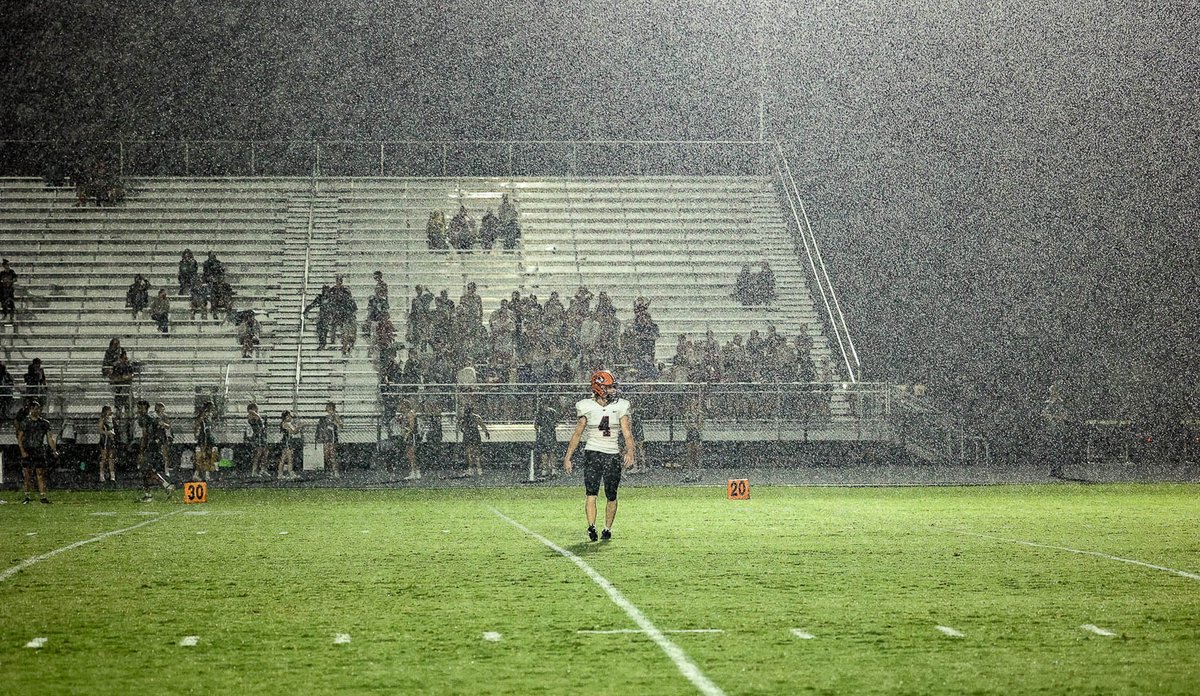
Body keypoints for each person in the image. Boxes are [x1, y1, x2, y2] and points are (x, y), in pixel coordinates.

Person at [562, 370, 634, 542]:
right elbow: (577, 433)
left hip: (611, 453)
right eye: (609, 387)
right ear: (599, 388)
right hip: (593, 452)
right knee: (591, 493)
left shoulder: (620, 405)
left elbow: (627, 432)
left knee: (611, 494)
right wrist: (568, 457)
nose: (613, 390)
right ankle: (592, 526)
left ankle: (607, 528)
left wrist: (630, 451)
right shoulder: (587, 405)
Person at [16, 400, 56, 504]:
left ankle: (43, 497)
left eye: (38, 408)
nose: (36, 410)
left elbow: (49, 438)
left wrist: (54, 450)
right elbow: (20, 438)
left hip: (39, 449)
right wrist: (22, 451)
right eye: (34, 408)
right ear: (30, 409)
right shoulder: (25, 422)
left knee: (40, 473)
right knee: (27, 474)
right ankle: (27, 496)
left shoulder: (44, 423)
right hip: (28, 449)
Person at [458, 404, 489, 476]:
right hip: (475, 435)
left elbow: (461, 427)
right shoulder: (476, 417)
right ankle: (479, 470)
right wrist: (486, 432)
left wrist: (463, 429)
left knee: (469, 453)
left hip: (468, 435)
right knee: (476, 453)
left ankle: (471, 469)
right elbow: (482, 425)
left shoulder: (464, 418)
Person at [316, 402, 344, 478]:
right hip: (326, 438)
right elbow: (322, 428)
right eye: (328, 409)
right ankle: (331, 471)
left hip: (332, 438)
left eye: (330, 409)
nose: (329, 410)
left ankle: (336, 472)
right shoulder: (325, 417)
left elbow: (341, 425)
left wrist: (335, 422)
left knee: (332, 455)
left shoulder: (336, 416)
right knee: (326, 455)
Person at [193, 401, 218, 482]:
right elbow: (196, 424)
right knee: (203, 456)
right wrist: (202, 417)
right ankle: (198, 474)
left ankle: (205, 474)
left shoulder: (210, 415)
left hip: (208, 437)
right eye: (212, 407)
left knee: (208, 455)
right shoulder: (203, 415)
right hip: (204, 438)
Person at [534, 400, 559, 478]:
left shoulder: (541, 413)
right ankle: (550, 470)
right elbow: (556, 423)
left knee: (547, 452)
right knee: (549, 452)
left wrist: (539, 431)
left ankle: (547, 469)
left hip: (546, 434)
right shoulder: (543, 413)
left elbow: (536, 425)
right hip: (548, 434)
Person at [304, 284, 333, 349]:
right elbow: (313, 304)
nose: (325, 292)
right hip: (322, 315)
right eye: (324, 291)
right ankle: (322, 342)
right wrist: (307, 310)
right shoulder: (320, 297)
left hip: (329, 315)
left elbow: (336, 306)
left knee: (324, 327)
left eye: (326, 291)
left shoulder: (331, 298)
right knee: (319, 328)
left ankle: (323, 343)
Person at [397, 400, 420, 480]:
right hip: (410, 436)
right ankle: (415, 471)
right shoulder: (407, 414)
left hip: (411, 436)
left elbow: (411, 427)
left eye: (402, 406)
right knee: (409, 454)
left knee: (411, 454)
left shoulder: (410, 414)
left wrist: (406, 434)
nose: (401, 407)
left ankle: (415, 472)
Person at [246, 403, 270, 477]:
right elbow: (257, 418)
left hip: (262, 436)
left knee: (265, 453)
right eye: (255, 408)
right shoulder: (251, 416)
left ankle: (263, 470)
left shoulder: (256, 415)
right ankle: (254, 471)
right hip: (258, 436)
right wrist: (253, 411)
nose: (257, 409)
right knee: (258, 454)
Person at [278, 411, 300, 479]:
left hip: (285, 442)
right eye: (289, 416)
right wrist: (299, 426)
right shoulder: (286, 424)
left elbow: (294, 432)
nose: (291, 417)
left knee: (283, 459)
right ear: (286, 417)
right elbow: (294, 431)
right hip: (287, 442)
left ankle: (280, 474)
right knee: (289, 459)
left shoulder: (284, 423)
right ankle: (291, 473)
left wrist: (297, 428)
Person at [98, 405, 117, 482]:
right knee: (104, 457)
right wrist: (107, 433)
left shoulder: (112, 419)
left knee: (111, 458)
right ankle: (102, 475)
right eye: (109, 410)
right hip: (105, 440)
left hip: (111, 440)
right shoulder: (103, 419)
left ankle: (112, 476)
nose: (110, 411)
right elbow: (100, 430)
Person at [0, 258, 17, 326]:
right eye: (6, 265)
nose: (7, 266)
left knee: (11, 304)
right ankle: (5, 315)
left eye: (8, 265)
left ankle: (11, 317)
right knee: (3, 303)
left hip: (10, 290)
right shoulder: (2, 273)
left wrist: (10, 281)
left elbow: (15, 279)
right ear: (4, 266)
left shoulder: (12, 272)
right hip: (3, 291)